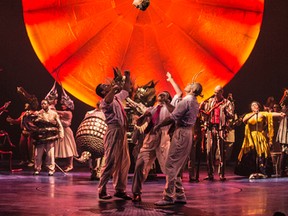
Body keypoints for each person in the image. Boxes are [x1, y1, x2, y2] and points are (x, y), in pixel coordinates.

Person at [131, 72, 182, 202]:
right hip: (151, 139)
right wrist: (142, 118)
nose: (161, 95)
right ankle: (136, 192)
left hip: (164, 138)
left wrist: (171, 80)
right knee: (140, 165)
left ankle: (175, 193)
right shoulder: (154, 108)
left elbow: (179, 94)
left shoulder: (171, 106)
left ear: (168, 98)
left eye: (164, 94)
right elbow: (142, 120)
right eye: (160, 94)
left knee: (169, 167)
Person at [153, 81, 203, 206]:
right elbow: (176, 112)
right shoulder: (192, 101)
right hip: (187, 133)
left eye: (190, 84)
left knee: (170, 165)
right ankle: (180, 194)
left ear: (192, 89)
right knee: (176, 166)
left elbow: (173, 117)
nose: (187, 84)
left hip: (181, 133)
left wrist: (159, 125)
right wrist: (167, 103)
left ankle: (168, 196)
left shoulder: (186, 101)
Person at [95, 70, 132, 200]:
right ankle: (102, 189)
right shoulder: (105, 101)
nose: (107, 85)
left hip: (121, 131)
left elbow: (126, 91)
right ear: (103, 92)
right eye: (105, 86)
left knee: (124, 161)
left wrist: (127, 77)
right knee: (110, 160)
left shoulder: (116, 97)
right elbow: (108, 99)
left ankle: (120, 190)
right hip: (113, 130)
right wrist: (114, 88)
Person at [237, 101, 286, 177]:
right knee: (251, 154)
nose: (254, 106)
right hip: (250, 138)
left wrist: (280, 114)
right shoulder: (248, 115)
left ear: (258, 107)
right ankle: (250, 171)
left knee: (262, 153)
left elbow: (271, 114)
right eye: (252, 105)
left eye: (255, 105)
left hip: (259, 136)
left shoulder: (262, 114)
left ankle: (263, 171)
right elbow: (244, 120)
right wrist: (254, 113)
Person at [202, 85, 234, 181]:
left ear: (222, 92)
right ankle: (210, 174)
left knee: (221, 152)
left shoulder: (227, 102)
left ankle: (221, 174)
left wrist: (225, 111)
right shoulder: (211, 101)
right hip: (211, 128)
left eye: (217, 92)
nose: (215, 94)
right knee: (209, 151)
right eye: (215, 92)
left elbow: (231, 115)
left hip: (221, 129)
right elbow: (205, 114)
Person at [32, 99, 64, 176]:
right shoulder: (39, 113)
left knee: (50, 154)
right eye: (42, 104)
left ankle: (51, 169)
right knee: (38, 154)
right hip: (41, 136)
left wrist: (61, 133)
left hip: (50, 135)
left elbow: (59, 124)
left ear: (48, 104)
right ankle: (37, 169)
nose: (43, 105)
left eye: (44, 103)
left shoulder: (54, 113)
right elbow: (34, 123)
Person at [54, 89, 78, 172]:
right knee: (57, 147)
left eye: (64, 104)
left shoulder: (68, 113)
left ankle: (70, 165)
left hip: (66, 131)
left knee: (69, 148)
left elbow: (57, 112)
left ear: (67, 105)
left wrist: (52, 110)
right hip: (61, 130)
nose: (62, 106)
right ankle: (54, 165)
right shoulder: (63, 112)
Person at [84, 101, 106, 181]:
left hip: (102, 135)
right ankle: (94, 171)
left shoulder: (105, 113)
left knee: (102, 154)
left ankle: (99, 172)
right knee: (94, 155)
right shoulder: (90, 113)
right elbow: (85, 122)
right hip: (92, 135)